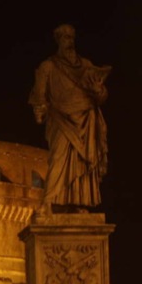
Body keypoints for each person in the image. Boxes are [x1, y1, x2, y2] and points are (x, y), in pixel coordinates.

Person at [29, 24, 111, 212]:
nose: (70, 41)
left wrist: (99, 90)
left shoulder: (86, 66)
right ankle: (49, 201)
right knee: (58, 158)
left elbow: (101, 96)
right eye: (65, 37)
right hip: (60, 119)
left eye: (72, 37)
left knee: (83, 161)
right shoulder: (48, 66)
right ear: (58, 40)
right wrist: (39, 110)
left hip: (86, 118)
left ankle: (80, 202)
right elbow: (39, 95)